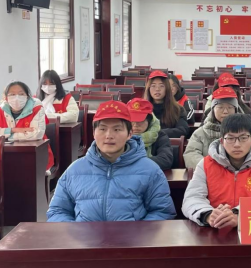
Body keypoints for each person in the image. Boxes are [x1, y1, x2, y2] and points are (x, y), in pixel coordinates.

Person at [47, 101, 176, 222]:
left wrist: (138, 234)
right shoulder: (74, 171)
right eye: (102, 129)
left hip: (132, 238)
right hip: (84, 238)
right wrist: (76, 233)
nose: (109, 135)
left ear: (130, 134)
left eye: (117, 129)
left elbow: (162, 211)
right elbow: (57, 211)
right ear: (93, 133)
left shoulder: (151, 171)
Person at [182, 114, 251, 229]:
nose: (237, 144)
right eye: (230, 138)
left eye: (243, 138)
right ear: (222, 141)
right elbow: (192, 198)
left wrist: (239, 215)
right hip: (213, 228)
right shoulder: (205, 164)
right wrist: (208, 214)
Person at [0, 81, 54, 172]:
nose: (17, 98)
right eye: (12, 94)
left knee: (25, 173)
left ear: (27, 96)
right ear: (6, 98)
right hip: (7, 155)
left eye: (21, 94)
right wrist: (13, 130)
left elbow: (36, 134)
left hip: (36, 154)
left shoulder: (37, 107)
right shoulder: (0, 109)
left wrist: (6, 137)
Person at [184, 87, 239, 169]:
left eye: (230, 107)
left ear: (235, 110)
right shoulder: (200, 133)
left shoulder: (246, 132)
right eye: (220, 107)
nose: (225, 111)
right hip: (209, 173)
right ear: (213, 110)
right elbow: (191, 155)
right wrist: (211, 167)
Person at [127, 98, 173, 170]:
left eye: (140, 121)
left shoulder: (160, 136)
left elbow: (165, 160)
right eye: (132, 120)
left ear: (149, 121)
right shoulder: (121, 136)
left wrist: (134, 163)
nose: (135, 125)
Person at [144, 70, 189, 138]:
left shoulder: (178, 109)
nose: (157, 89)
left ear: (167, 89)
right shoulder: (142, 109)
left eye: (161, 86)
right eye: (153, 86)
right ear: (148, 89)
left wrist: (156, 133)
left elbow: (183, 130)